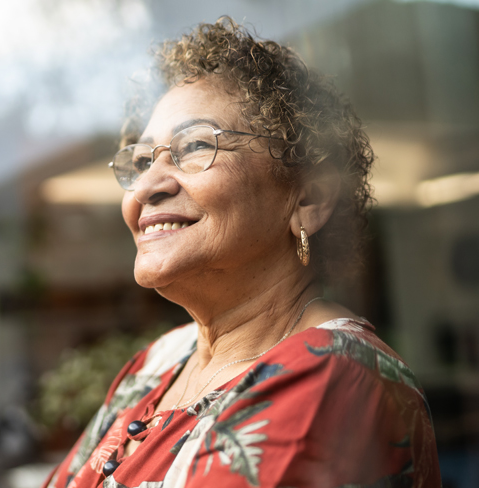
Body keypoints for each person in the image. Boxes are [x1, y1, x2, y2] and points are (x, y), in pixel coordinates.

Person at [43, 17, 441, 488]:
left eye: (193, 146)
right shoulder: (159, 362)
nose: (147, 186)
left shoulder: (335, 372)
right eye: (143, 160)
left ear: (308, 199)